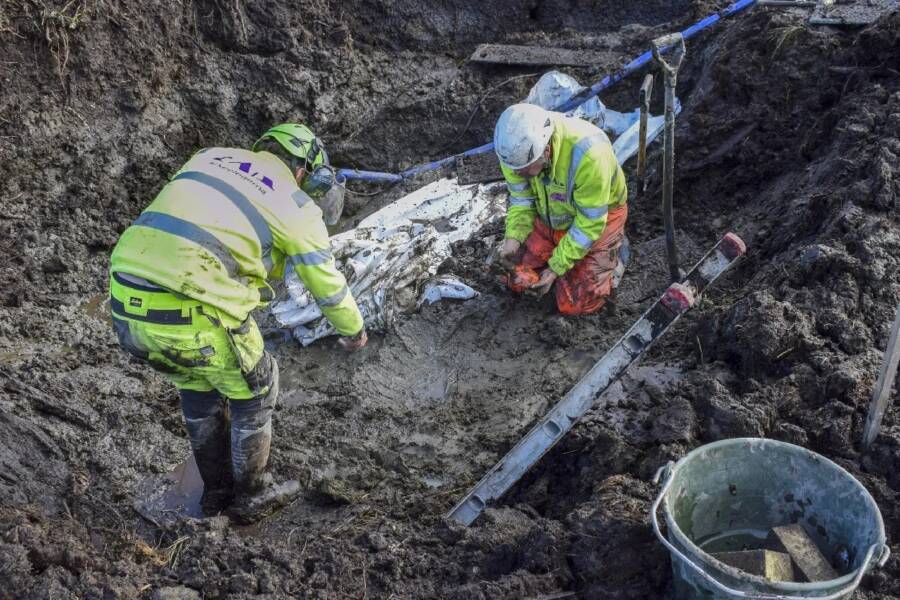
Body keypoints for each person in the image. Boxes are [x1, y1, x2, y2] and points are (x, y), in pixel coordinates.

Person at [108, 123, 367, 523]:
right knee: (258, 386)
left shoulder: (208, 156)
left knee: (197, 382)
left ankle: (214, 495)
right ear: (305, 172)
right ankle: (253, 495)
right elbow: (327, 285)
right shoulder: (296, 206)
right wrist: (353, 330)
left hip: (126, 307)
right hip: (195, 312)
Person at [493, 103, 628, 315]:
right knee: (514, 277)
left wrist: (554, 268)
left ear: (545, 151)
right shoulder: (514, 155)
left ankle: (616, 255)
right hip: (549, 213)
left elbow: (589, 223)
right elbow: (522, 200)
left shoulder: (590, 155)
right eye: (514, 170)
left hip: (598, 219)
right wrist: (512, 242)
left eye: (524, 171)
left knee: (575, 303)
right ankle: (561, 252)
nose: (517, 175)